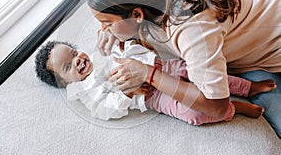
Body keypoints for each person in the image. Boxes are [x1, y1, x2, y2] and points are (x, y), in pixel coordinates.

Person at [85, 0, 281, 136]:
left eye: (107, 23)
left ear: (137, 14)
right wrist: (115, 29)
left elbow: (217, 107)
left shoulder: (190, 26)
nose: (103, 30)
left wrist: (148, 73)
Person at [34, 40, 275, 124]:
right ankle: (233, 109)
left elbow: (127, 46)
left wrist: (128, 46)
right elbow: (106, 110)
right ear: (66, 84)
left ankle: (246, 87)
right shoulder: (87, 92)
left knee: (201, 72)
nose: (78, 60)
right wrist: (128, 93)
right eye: (69, 66)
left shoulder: (100, 54)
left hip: (160, 66)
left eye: (75, 53)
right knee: (193, 114)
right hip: (153, 96)